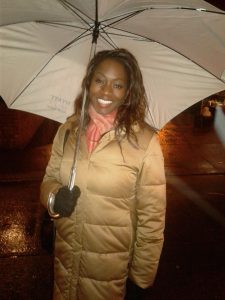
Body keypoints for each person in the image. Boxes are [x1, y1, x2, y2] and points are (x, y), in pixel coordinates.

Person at [40, 48, 166, 300]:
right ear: (88, 83)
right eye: (99, 80)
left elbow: (152, 219)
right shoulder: (68, 131)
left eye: (117, 85)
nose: (106, 91)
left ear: (128, 92)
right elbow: (48, 179)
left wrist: (140, 280)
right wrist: (54, 197)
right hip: (65, 264)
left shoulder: (145, 142)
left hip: (110, 275)